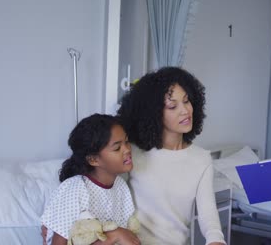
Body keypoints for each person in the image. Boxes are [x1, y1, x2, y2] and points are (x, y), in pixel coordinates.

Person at [117, 67, 226, 245]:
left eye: (186, 101)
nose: (185, 111)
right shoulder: (133, 154)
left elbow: (210, 220)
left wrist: (217, 240)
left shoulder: (201, 159)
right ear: (154, 114)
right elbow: (111, 203)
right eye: (173, 106)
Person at [41, 114, 140, 245]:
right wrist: (115, 235)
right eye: (117, 148)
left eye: (126, 142)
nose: (127, 149)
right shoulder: (75, 189)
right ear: (93, 159)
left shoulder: (120, 186)